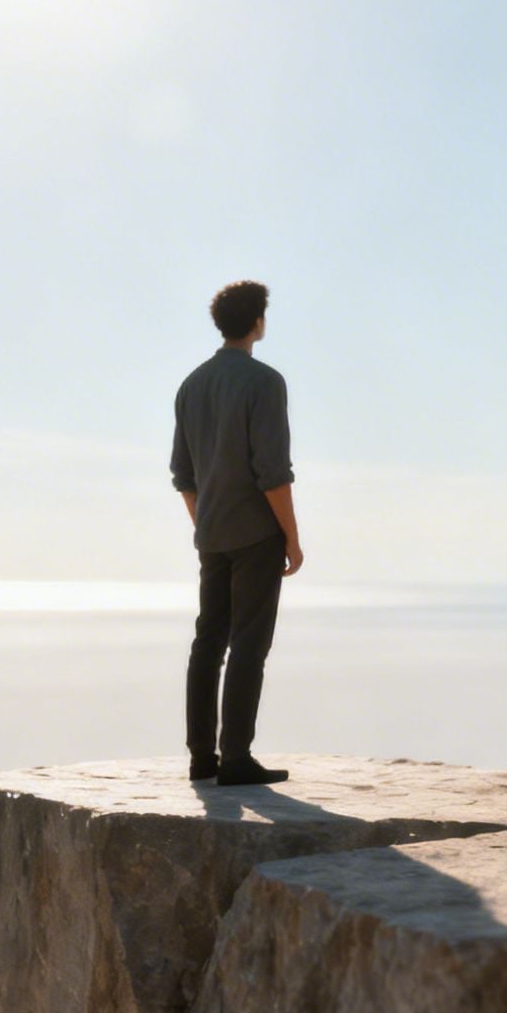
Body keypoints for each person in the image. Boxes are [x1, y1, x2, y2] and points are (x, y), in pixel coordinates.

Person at [170, 280, 303, 786]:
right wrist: (291, 536)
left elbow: (184, 474)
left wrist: (205, 522)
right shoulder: (264, 382)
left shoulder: (191, 385)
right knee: (249, 642)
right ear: (258, 323)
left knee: (209, 640)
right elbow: (272, 471)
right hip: (254, 533)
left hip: (213, 533)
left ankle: (202, 757)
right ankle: (237, 757)